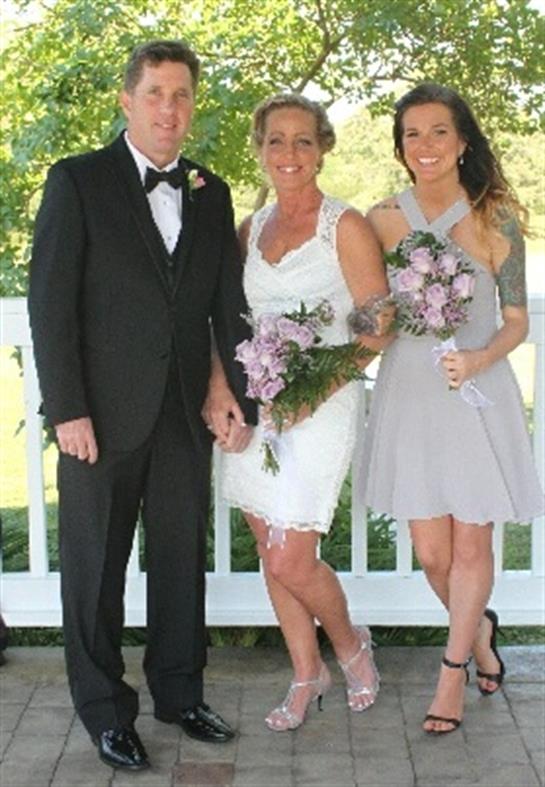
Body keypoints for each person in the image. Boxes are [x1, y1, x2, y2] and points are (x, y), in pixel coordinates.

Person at [28, 40, 256, 770]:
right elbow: (50, 307)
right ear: (126, 101)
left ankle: (180, 693)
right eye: (155, 93)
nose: (170, 108)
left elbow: (226, 305)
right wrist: (67, 408)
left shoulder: (209, 191)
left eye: (182, 94)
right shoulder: (77, 181)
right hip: (96, 415)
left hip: (184, 411)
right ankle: (104, 709)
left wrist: (230, 390)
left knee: (180, 556)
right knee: (95, 566)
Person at [360, 83, 544, 734]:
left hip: (475, 390)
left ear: (462, 139)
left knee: (472, 540)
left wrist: (478, 358)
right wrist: (368, 315)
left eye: (438, 131)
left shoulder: (496, 217)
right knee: (432, 552)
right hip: (409, 391)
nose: (425, 145)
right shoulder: (380, 218)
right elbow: (366, 308)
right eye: (412, 134)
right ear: (400, 147)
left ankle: (450, 672)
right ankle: (481, 632)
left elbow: (517, 320)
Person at [212, 94, 392, 731]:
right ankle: (304, 674)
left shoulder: (344, 227)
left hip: (324, 401)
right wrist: (225, 390)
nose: (289, 154)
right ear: (259, 149)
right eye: (275, 141)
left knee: (293, 554)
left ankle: (350, 646)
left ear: (322, 149)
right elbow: (226, 321)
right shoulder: (249, 228)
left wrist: (313, 389)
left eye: (303, 141)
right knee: (268, 544)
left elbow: (376, 328)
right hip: (260, 403)